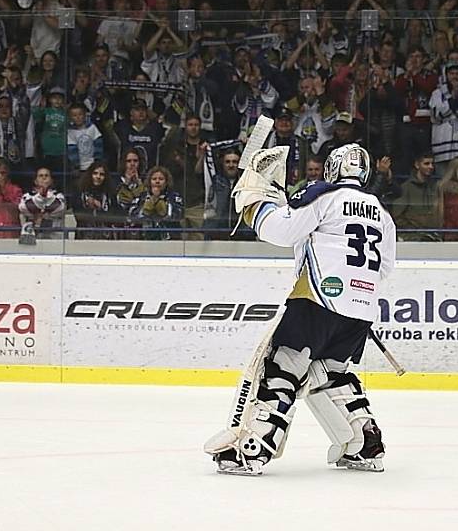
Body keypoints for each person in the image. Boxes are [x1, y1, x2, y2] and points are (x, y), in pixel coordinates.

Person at [207, 143, 396, 475]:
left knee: (283, 369)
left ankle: (254, 448)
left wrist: (252, 205)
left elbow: (280, 231)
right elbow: (385, 267)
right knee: (333, 373)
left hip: (318, 300)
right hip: (362, 308)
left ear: (333, 169)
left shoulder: (323, 195)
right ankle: (365, 443)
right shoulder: (382, 211)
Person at [392, 152, 438, 241]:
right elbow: (397, 215)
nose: (431, 167)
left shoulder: (435, 187)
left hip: (433, 236)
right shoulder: (406, 187)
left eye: (432, 164)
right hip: (412, 237)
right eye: (426, 164)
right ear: (417, 165)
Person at [130, 166, 184, 240]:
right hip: (145, 238)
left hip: (170, 239)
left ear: (166, 181)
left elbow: (178, 214)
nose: (157, 181)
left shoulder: (174, 197)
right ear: (149, 181)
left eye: (161, 179)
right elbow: (132, 215)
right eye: (154, 179)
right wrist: (147, 205)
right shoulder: (142, 196)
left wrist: (163, 205)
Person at [18, 167, 66, 239]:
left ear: (51, 180)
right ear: (35, 181)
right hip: (32, 238)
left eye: (46, 175)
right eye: (40, 176)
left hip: (54, 238)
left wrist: (38, 211)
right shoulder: (27, 196)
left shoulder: (59, 196)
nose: (44, 178)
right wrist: (40, 197)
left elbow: (59, 208)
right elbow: (25, 208)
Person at [74, 161, 117, 240]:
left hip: (105, 237)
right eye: (95, 173)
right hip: (84, 236)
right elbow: (77, 215)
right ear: (90, 175)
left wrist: (100, 207)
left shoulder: (110, 194)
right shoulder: (80, 193)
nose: (98, 176)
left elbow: (113, 216)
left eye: (102, 174)